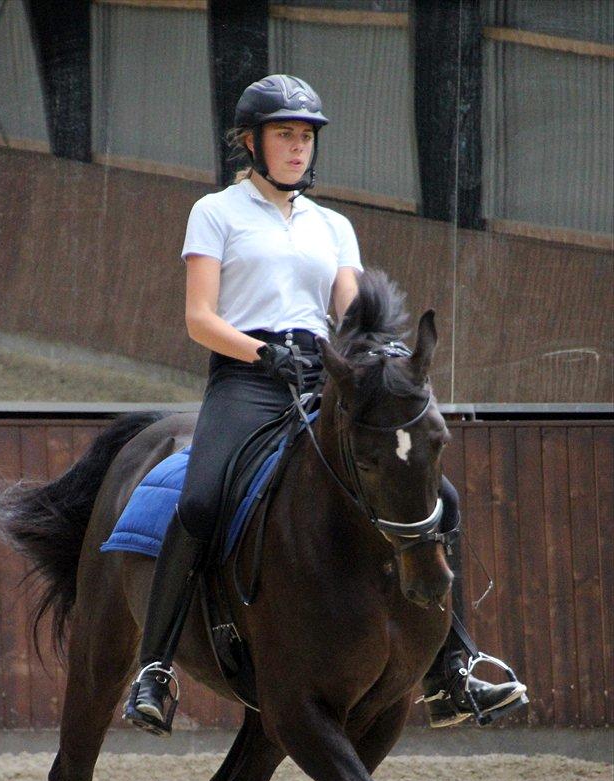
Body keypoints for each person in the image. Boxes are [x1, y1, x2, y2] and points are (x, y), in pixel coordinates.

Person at [127, 74, 526, 736]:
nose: (296, 148)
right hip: (245, 379)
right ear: (250, 142)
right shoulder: (215, 212)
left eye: (305, 137)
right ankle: (156, 668)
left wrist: (381, 357)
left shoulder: (332, 225)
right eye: (284, 135)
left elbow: (348, 310)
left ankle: (451, 668)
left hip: (324, 378)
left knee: (441, 500)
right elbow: (199, 318)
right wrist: (259, 353)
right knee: (199, 500)